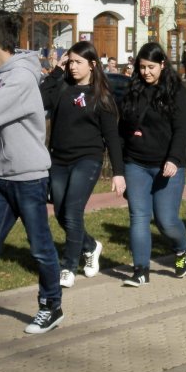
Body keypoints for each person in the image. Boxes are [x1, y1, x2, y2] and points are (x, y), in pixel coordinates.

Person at [0, 11, 64, 336]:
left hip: (28, 177)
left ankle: (51, 305)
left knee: (40, 247)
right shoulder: (0, 74)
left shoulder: (19, 78)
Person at [43, 41, 124, 288]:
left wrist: (118, 172)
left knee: (73, 211)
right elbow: (40, 98)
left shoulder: (101, 96)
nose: (73, 67)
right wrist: (56, 71)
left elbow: (112, 137)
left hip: (87, 159)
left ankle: (68, 267)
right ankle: (90, 246)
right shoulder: (62, 87)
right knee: (61, 214)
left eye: (78, 62)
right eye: (70, 62)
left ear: (92, 65)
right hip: (58, 160)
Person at [118, 42, 186, 287]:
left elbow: (182, 129)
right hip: (136, 163)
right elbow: (122, 127)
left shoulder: (176, 91)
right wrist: (120, 166)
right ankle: (140, 270)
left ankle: (183, 246)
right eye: (142, 67)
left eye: (151, 67)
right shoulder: (133, 89)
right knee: (138, 216)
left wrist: (173, 158)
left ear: (162, 65)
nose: (146, 72)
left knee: (166, 221)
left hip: (167, 165)